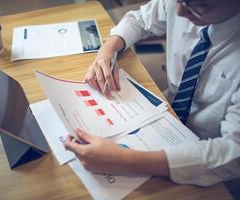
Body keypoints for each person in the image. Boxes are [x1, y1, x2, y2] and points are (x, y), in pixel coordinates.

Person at [65, 0, 240, 186]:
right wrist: (107, 51)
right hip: (167, 114)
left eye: (200, 7)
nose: (179, 12)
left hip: (211, 160)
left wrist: (124, 161)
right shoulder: (180, 4)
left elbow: (234, 153)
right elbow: (140, 19)